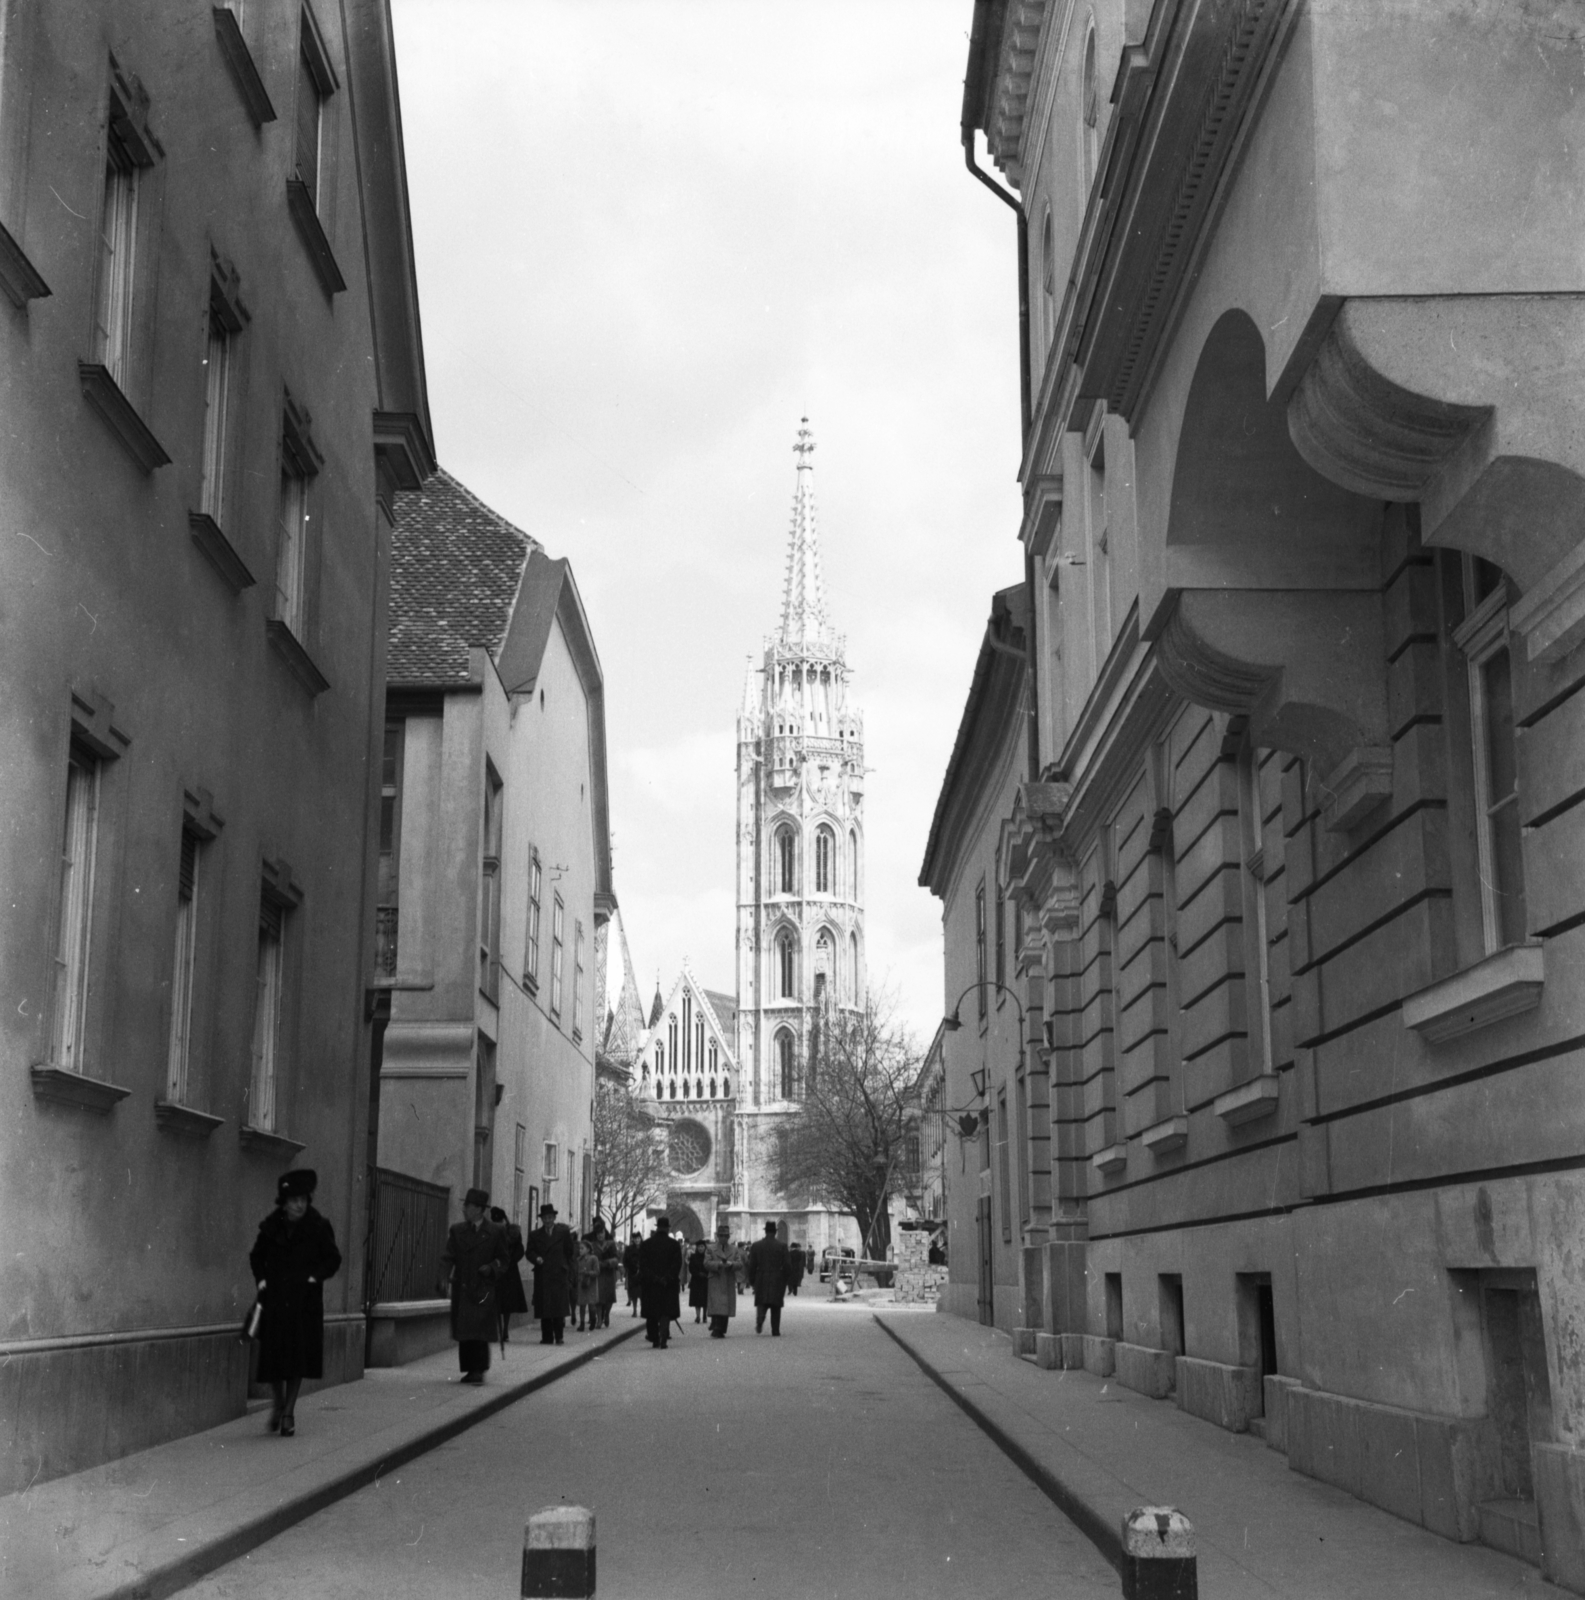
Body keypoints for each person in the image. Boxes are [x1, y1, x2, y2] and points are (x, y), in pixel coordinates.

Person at [249, 1168, 341, 1437]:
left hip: (304, 1302)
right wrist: (261, 1280)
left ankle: (289, 1412)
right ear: (284, 1202)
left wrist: (315, 1277)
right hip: (276, 1299)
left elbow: (333, 1258)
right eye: (294, 1200)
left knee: (298, 1359)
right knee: (274, 1357)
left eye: (303, 1199)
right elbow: (256, 1256)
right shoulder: (271, 1227)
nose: (299, 1205)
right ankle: (277, 1402)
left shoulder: (318, 1226)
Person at [441, 1187, 508, 1385]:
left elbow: (504, 1260)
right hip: (464, 1287)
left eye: (467, 1205)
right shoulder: (457, 1230)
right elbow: (447, 1257)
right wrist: (443, 1277)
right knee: (465, 1330)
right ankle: (470, 1369)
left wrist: (492, 1267)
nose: (464, 1209)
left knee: (479, 1329)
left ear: (479, 1209)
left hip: (483, 1288)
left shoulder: (496, 1231)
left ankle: (478, 1369)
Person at [525, 1202, 577, 1345]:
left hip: (559, 1274)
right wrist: (536, 1258)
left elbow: (569, 1251)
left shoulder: (563, 1233)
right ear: (542, 1219)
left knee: (558, 1307)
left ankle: (559, 1336)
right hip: (543, 1274)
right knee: (545, 1307)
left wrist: (565, 1266)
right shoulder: (535, 1235)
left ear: (554, 1218)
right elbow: (529, 1252)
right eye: (545, 1218)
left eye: (550, 1218)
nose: (547, 1221)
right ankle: (547, 1337)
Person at [638, 1216, 683, 1348]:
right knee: (665, 1312)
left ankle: (654, 1338)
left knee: (652, 1313)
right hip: (668, 1284)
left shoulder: (646, 1244)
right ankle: (663, 1335)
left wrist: (654, 1278)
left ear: (657, 1228)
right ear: (668, 1228)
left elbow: (643, 1265)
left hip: (651, 1284)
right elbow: (677, 1265)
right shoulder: (674, 1245)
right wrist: (667, 1278)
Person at [489, 1206, 528, 1349]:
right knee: (497, 1302)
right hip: (497, 1270)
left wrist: (510, 1260)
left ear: (504, 1220)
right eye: (496, 1221)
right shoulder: (493, 1231)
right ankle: (499, 1330)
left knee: (507, 1303)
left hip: (509, 1271)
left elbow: (520, 1249)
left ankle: (505, 1330)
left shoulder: (513, 1232)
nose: (499, 1223)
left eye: (500, 1220)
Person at [747, 1221, 792, 1336]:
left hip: (761, 1277)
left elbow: (752, 1265)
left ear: (765, 1231)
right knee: (776, 1305)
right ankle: (775, 1329)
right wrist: (785, 1279)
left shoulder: (756, 1246)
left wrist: (752, 1280)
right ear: (775, 1232)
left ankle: (760, 1320)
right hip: (777, 1278)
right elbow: (787, 1265)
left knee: (762, 1302)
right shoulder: (782, 1246)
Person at [703, 1221, 738, 1338]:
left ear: (728, 1237)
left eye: (726, 1236)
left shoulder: (734, 1249)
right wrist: (718, 1264)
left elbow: (740, 1264)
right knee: (717, 1304)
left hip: (728, 1278)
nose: (723, 1238)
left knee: (725, 1305)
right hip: (716, 1279)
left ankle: (722, 1328)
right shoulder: (710, 1248)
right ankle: (717, 1327)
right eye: (721, 1236)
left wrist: (731, 1264)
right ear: (718, 1236)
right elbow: (706, 1263)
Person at [592, 1218, 620, 1329]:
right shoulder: (592, 1245)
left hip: (609, 1273)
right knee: (598, 1298)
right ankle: (599, 1319)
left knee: (609, 1297)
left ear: (605, 1233)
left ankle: (607, 1314)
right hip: (598, 1273)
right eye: (598, 1234)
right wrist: (595, 1263)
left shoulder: (611, 1244)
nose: (600, 1235)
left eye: (602, 1233)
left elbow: (616, 1258)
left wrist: (608, 1262)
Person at [574, 1231, 600, 1331]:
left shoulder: (593, 1258)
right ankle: (581, 1324)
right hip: (581, 1284)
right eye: (579, 1248)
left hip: (591, 1284)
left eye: (582, 1248)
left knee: (591, 1305)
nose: (580, 1250)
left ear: (588, 1249)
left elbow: (597, 1271)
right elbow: (576, 1272)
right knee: (581, 1305)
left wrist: (588, 1273)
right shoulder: (578, 1260)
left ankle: (593, 1320)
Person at [686, 1240, 708, 1323]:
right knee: (697, 1300)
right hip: (696, 1280)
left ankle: (704, 1316)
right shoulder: (693, 1256)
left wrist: (706, 1274)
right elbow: (691, 1268)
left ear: (704, 1247)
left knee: (705, 1299)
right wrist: (698, 1273)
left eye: (702, 1246)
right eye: (699, 1247)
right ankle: (698, 1316)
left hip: (705, 1280)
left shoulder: (707, 1256)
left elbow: (709, 1266)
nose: (700, 1248)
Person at [623, 1230, 642, 1316]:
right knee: (634, 1293)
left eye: (638, 1238)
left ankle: (642, 1309)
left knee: (642, 1294)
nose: (637, 1240)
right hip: (632, 1274)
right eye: (635, 1239)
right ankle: (634, 1310)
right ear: (633, 1240)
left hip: (643, 1274)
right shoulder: (629, 1249)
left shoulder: (645, 1247)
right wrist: (629, 1268)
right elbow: (625, 1260)